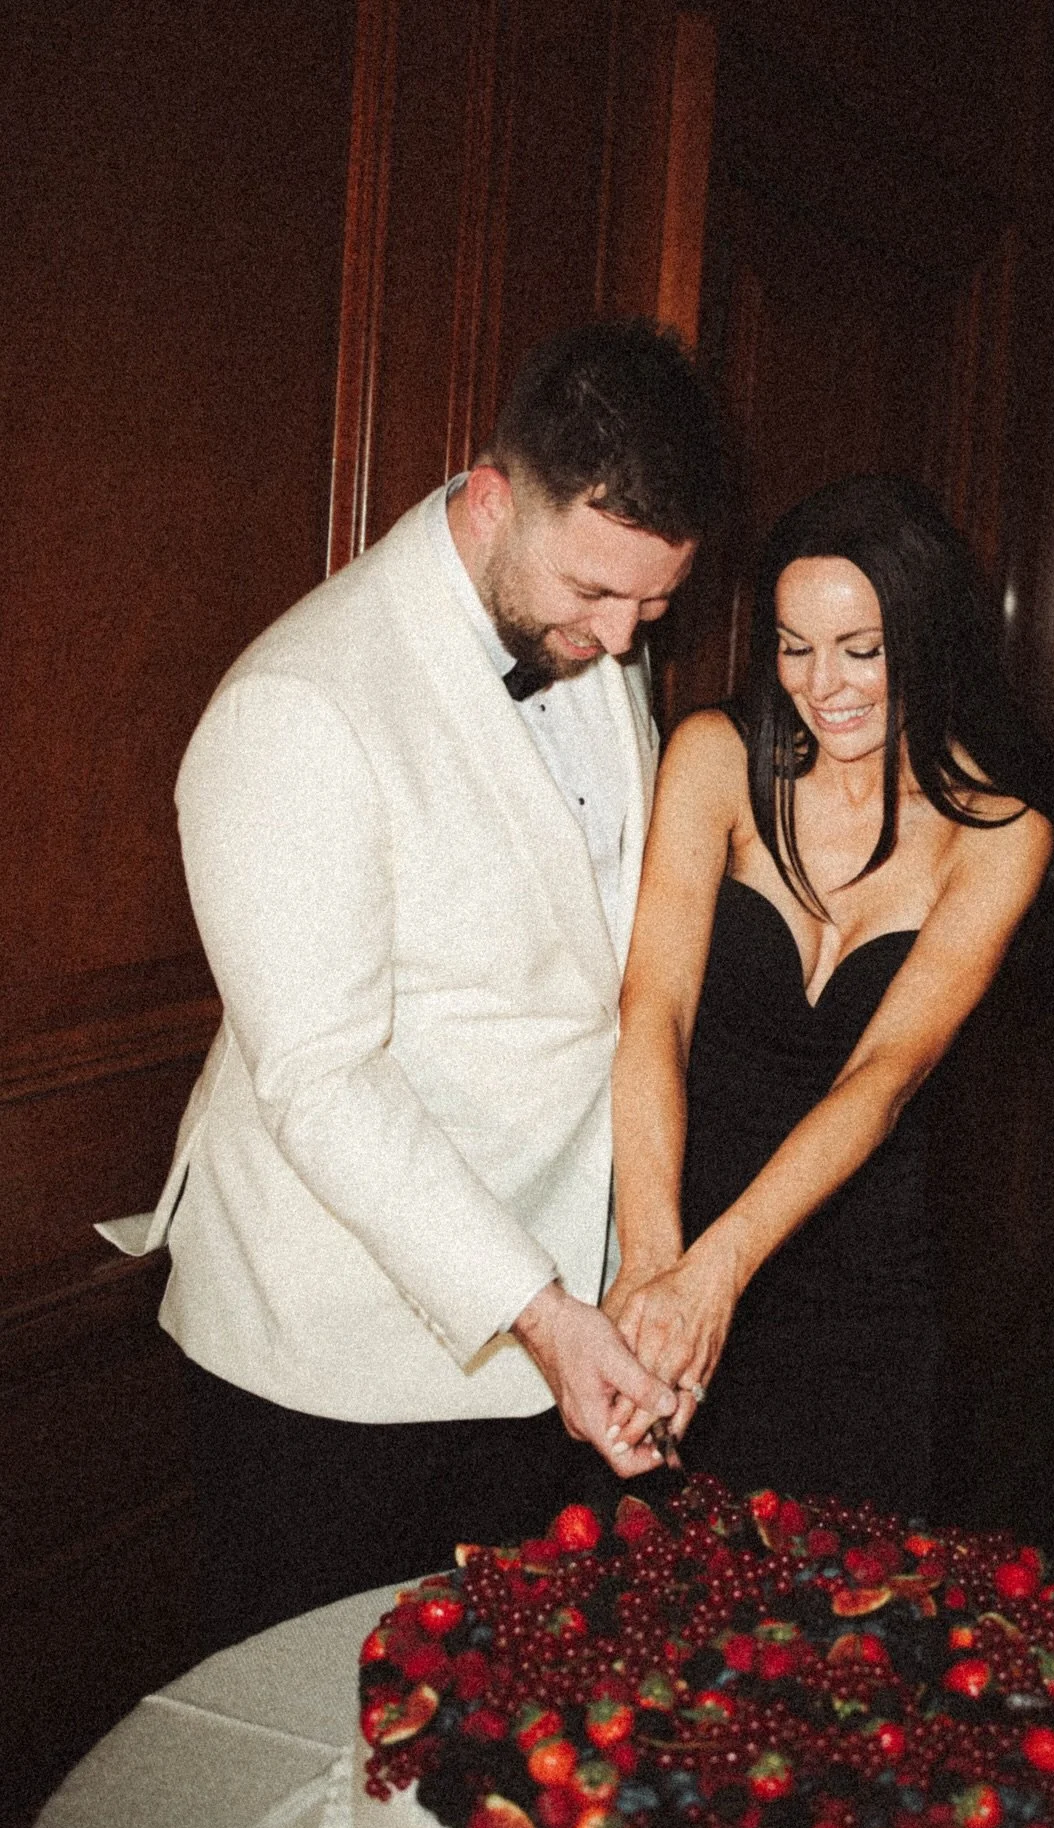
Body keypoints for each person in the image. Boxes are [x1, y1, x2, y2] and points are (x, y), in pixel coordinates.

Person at [137, 319, 725, 1643]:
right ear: (494, 495)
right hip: (331, 1363)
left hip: (550, 1346)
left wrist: (632, 1265)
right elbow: (323, 1082)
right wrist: (542, 1313)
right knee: (316, 1723)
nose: (621, 637)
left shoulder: (594, 632)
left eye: (653, 607)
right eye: (596, 592)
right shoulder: (301, 701)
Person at [604, 474, 1054, 1515]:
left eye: (863, 649)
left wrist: (718, 1275)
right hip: (675, 1239)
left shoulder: (1001, 832)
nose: (823, 685)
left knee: (841, 1601)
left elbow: (882, 1078)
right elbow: (654, 1012)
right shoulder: (717, 758)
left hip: (861, 1288)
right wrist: (652, 1263)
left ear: (929, 640)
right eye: (793, 646)